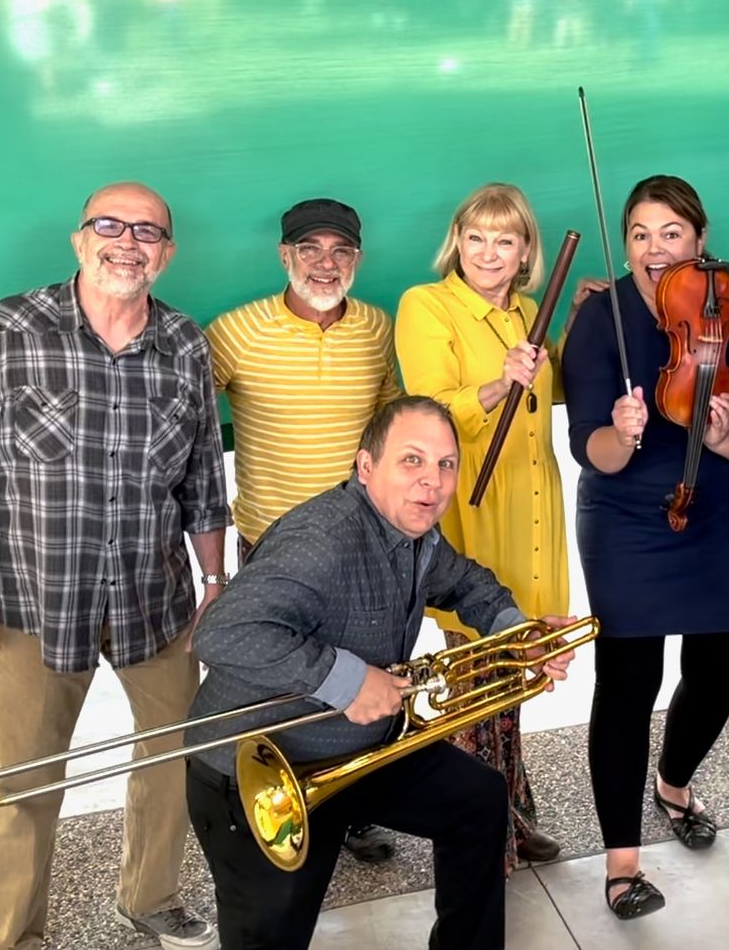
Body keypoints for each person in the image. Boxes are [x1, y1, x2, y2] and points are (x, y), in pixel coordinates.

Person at [0, 182, 227, 950]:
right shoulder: (5, 330)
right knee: (23, 780)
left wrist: (215, 583)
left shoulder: (185, 344)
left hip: (156, 601)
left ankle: (150, 897)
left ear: (168, 253)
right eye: (110, 225)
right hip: (33, 604)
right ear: (79, 239)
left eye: (148, 232)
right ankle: (14, 936)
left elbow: (202, 482)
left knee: (176, 755)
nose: (128, 243)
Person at [184, 396, 576, 950]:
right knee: (271, 938)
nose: (432, 481)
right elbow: (220, 633)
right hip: (259, 774)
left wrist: (520, 635)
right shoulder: (323, 540)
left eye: (445, 464)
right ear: (366, 466)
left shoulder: (414, 534)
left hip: (357, 751)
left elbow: (466, 583)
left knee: (478, 798)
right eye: (412, 460)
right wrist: (348, 680)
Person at [561, 175, 729, 920]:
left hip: (724, 509)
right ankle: (622, 864)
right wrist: (623, 434)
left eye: (671, 233)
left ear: (700, 240)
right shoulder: (599, 317)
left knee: (717, 673)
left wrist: (727, 433)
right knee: (627, 682)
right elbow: (591, 449)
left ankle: (674, 783)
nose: (655, 249)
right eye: (640, 235)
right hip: (627, 519)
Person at [396, 182, 599, 867]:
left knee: (513, 677)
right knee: (474, 679)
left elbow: (553, 388)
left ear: (525, 252)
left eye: (504, 240)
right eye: (476, 238)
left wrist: (574, 325)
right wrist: (496, 384)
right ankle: (475, 834)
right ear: (457, 242)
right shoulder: (426, 306)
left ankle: (509, 811)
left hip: (532, 509)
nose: (488, 252)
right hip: (474, 513)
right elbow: (429, 411)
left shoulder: (529, 313)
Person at [205, 196, 402, 863]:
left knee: (362, 682)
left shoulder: (376, 327)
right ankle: (277, 810)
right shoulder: (233, 332)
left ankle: (352, 809)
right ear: (284, 256)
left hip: (360, 547)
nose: (325, 263)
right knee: (280, 688)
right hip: (273, 548)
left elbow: (388, 428)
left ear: (358, 259)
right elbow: (185, 419)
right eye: (310, 249)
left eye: (340, 250)